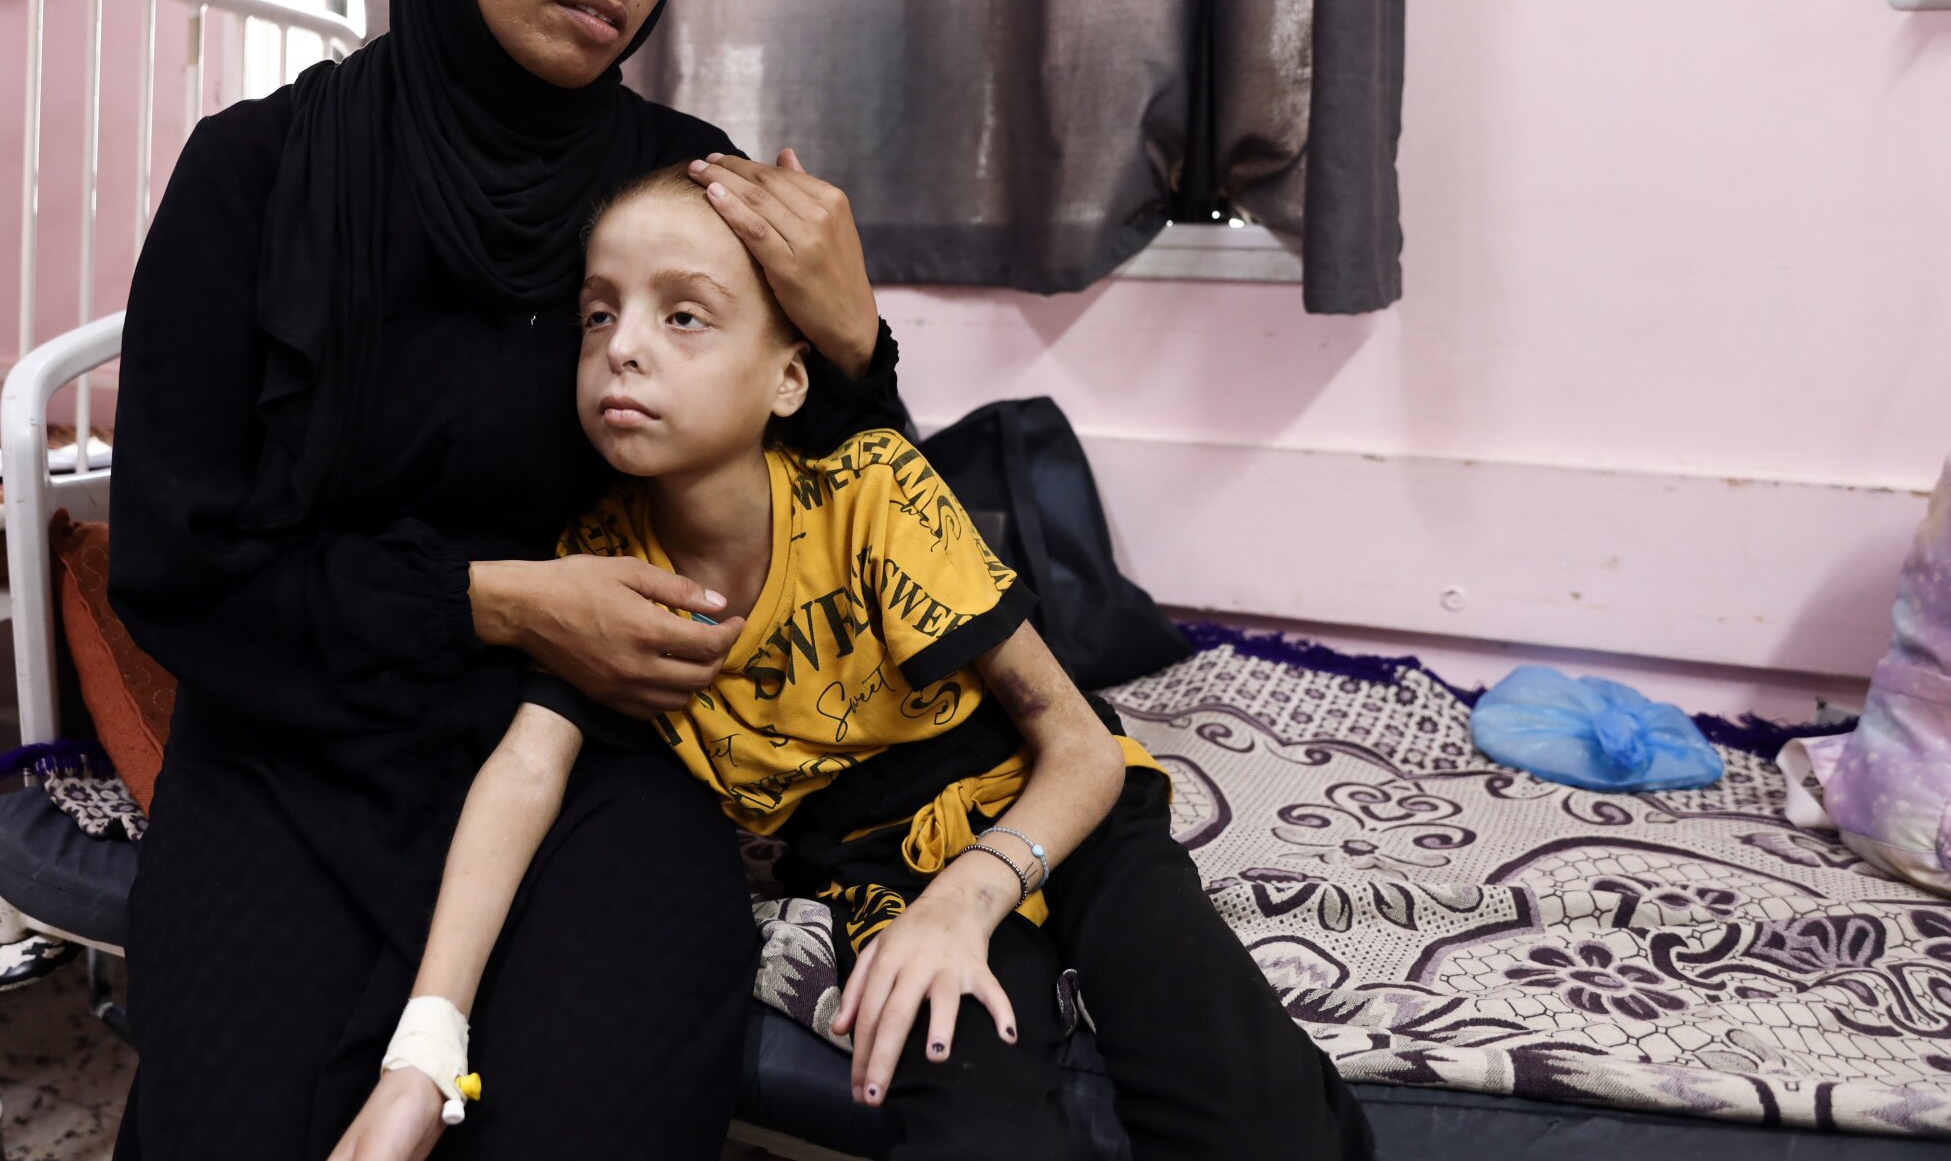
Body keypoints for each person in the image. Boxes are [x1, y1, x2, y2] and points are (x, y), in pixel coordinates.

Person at [108, 0, 906, 1160]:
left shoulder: (680, 195)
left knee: (578, 1114)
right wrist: (498, 602)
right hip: (299, 743)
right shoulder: (257, 176)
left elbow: (841, 529)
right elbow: (172, 567)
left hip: (593, 754)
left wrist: (853, 341)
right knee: (242, 1114)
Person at [332, 166, 1375, 1161]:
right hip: (880, 876)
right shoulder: (599, 569)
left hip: (1059, 810)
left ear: (789, 377)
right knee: (981, 1135)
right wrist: (423, 1052)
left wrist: (968, 899)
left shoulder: (871, 490)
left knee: (1257, 1114)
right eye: (599, 314)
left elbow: (1082, 748)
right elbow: (523, 773)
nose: (623, 350)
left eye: (681, 314)